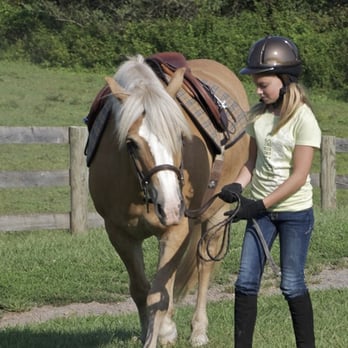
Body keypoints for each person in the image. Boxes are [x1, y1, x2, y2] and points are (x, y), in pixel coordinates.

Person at [219, 35, 321, 348]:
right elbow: (251, 162)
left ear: (285, 81)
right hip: (261, 211)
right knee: (245, 282)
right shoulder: (259, 117)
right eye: (257, 85)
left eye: (263, 84)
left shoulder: (305, 120)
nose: (258, 91)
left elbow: (299, 176)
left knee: (291, 284)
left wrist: (258, 206)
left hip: (293, 214)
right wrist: (238, 185)